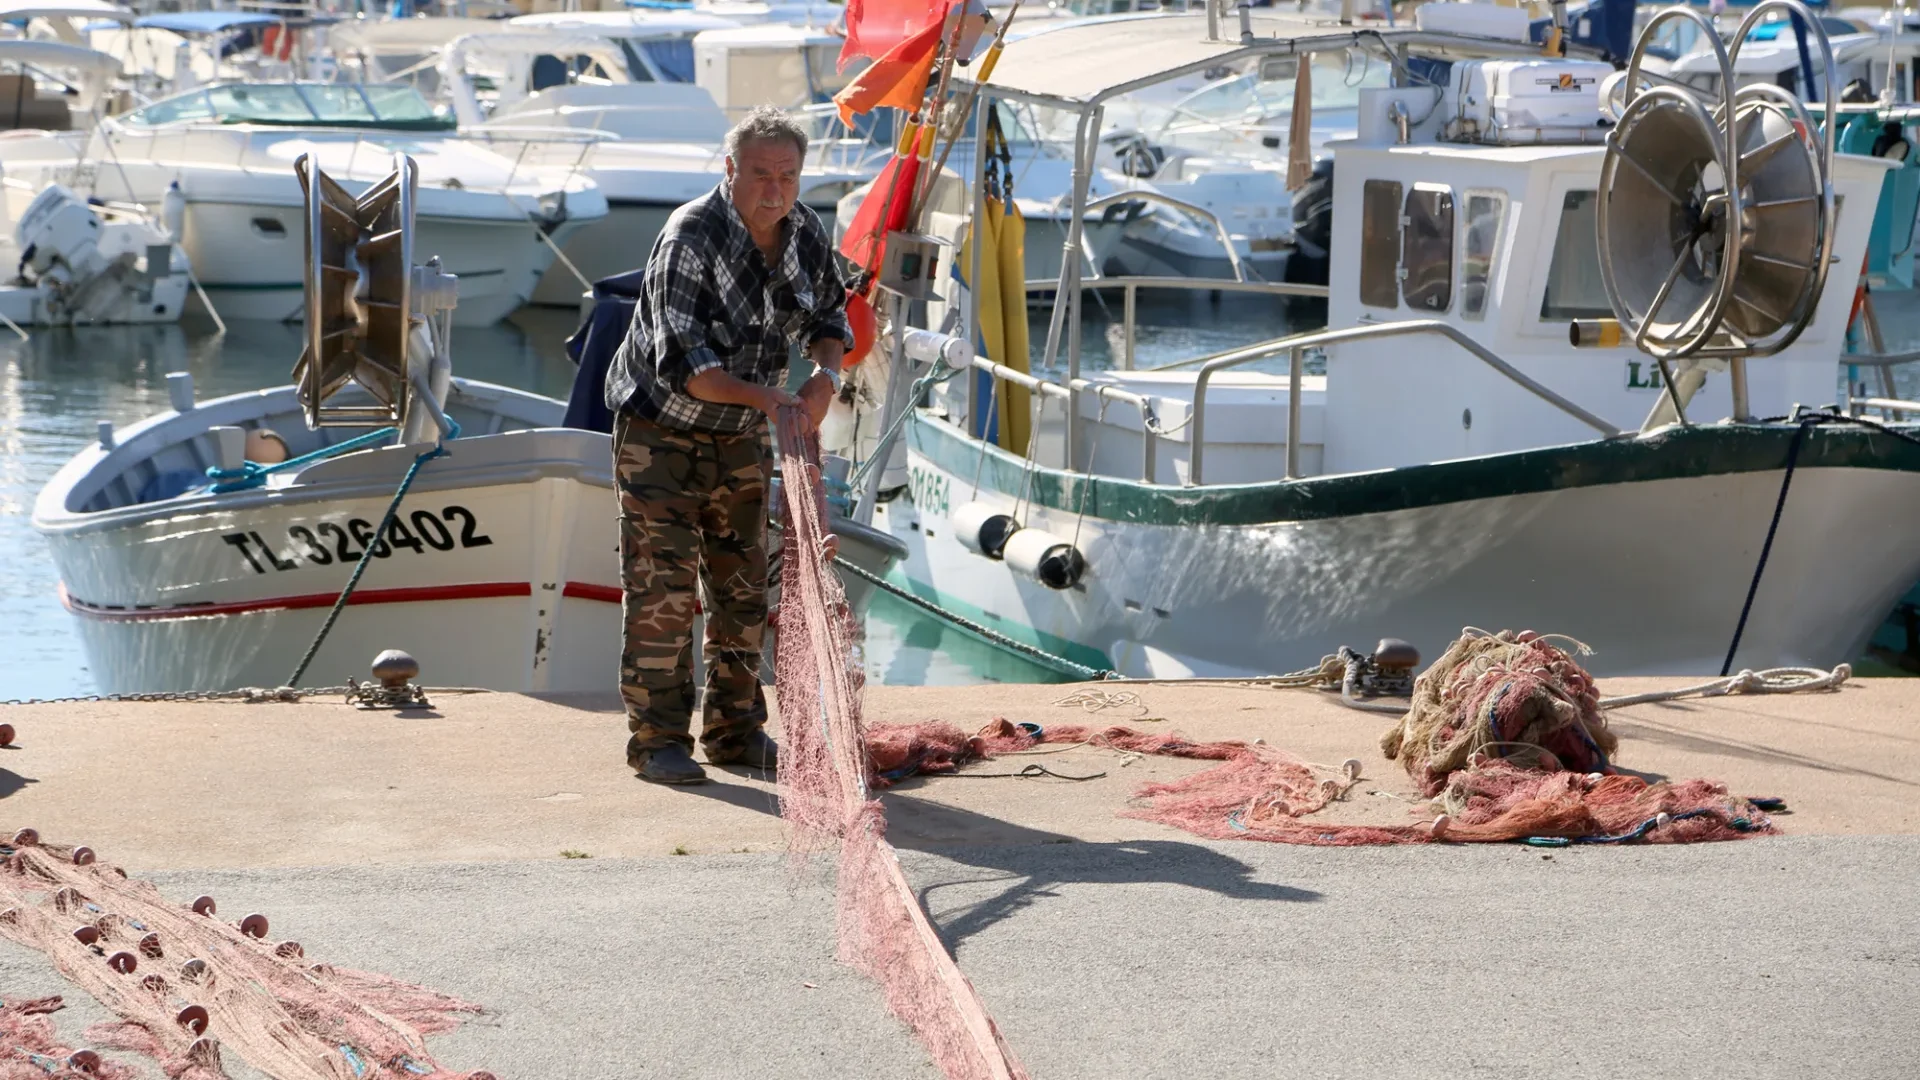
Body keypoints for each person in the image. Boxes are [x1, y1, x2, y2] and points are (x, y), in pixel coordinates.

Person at [605, 104, 852, 785]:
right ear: (729, 170)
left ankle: (737, 735)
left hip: (741, 434)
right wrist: (773, 398)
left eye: (788, 176)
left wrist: (826, 376)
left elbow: (830, 316)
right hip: (662, 433)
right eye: (759, 174)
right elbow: (691, 369)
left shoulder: (804, 231)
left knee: (743, 591)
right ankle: (657, 743)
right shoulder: (690, 236)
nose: (774, 191)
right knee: (664, 592)